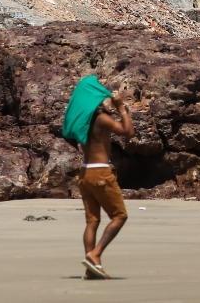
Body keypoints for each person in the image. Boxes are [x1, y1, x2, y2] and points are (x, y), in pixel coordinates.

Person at [79, 89, 134, 279]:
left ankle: (92, 268)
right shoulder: (101, 119)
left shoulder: (83, 120)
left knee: (92, 221)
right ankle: (95, 254)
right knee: (120, 216)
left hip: (84, 172)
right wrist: (121, 109)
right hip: (100, 172)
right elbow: (128, 132)